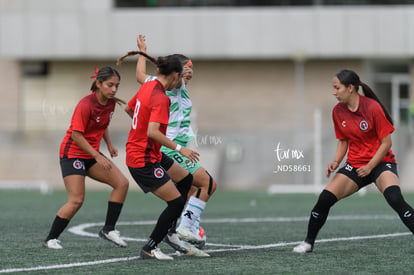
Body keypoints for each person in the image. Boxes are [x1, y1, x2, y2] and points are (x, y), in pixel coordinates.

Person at [293, 69, 414, 253]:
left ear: (350, 88)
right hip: (355, 165)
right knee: (325, 198)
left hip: (380, 163)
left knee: (395, 198)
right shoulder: (338, 111)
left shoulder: (372, 107)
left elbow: (386, 143)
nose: (334, 92)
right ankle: (308, 243)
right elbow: (343, 140)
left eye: (337, 88)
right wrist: (336, 161)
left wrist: (371, 166)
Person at [120, 51, 209, 260]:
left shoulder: (148, 86)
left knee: (186, 179)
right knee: (177, 202)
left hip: (151, 153)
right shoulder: (161, 97)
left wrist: (141, 124)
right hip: (142, 159)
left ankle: (172, 235)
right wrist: (181, 149)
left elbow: (128, 108)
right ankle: (150, 247)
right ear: (175, 75)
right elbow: (152, 132)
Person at [134, 34, 217, 248]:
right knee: (208, 183)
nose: (190, 74)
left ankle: (177, 230)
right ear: (177, 73)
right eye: (187, 70)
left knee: (190, 188)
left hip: (171, 149)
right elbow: (150, 74)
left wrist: (142, 51)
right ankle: (186, 228)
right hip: (171, 149)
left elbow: (140, 75)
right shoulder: (174, 85)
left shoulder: (170, 85)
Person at [43, 66, 129, 249]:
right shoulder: (86, 104)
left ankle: (109, 230)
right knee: (76, 200)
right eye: (110, 85)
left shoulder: (111, 103)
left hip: (91, 154)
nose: (114, 89)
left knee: (122, 184)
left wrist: (110, 144)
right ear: (98, 84)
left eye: (117, 86)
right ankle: (51, 239)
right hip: (72, 153)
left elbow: (102, 124)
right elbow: (76, 135)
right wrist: (98, 156)